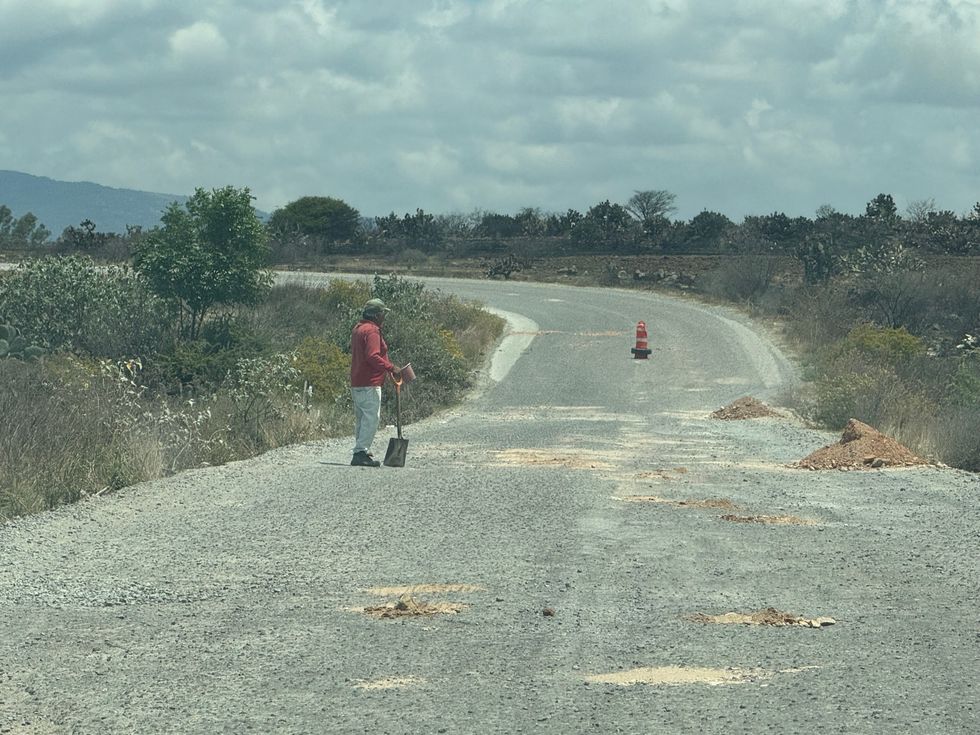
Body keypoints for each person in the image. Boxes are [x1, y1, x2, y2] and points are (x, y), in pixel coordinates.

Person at [349, 298, 401, 467]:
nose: (384, 317)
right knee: (371, 418)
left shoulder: (358, 328)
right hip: (369, 382)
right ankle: (360, 452)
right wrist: (391, 368)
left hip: (357, 380)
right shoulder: (372, 331)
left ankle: (361, 450)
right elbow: (372, 356)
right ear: (377, 315)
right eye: (383, 314)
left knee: (362, 418)